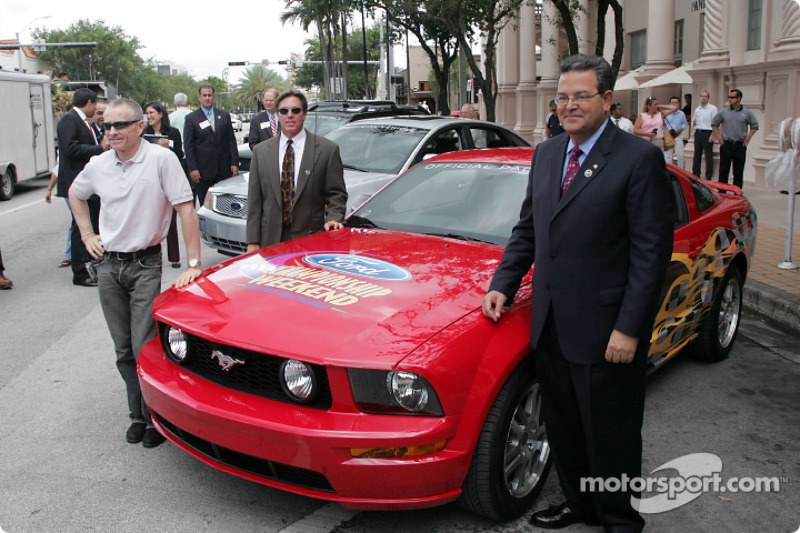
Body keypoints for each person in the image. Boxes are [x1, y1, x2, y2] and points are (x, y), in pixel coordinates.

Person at [481, 54, 674, 532]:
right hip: (550, 323)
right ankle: (580, 504)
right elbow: (528, 228)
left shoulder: (639, 158)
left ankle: (618, 518)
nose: (569, 106)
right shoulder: (547, 154)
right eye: (563, 97)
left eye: (581, 96)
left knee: (612, 434)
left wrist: (629, 328)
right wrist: (503, 283)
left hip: (608, 330)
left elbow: (652, 255)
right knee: (564, 426)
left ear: (607, 100)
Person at [68, 98, 202, 449]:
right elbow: (75, 194)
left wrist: (192, 265)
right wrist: (86, 234)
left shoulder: (161, 159)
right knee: (123, 349)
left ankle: (156, 420)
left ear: (139, 126)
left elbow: (185, 209)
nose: (111, 132)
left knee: (145, 346)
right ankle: (137, 416)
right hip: (109, 265)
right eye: (106, 126)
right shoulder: (98, 164)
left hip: (145, 265)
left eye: (119, 125)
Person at [246, 90, 347, 251]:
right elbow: (255, 201)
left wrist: (334, 218)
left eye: (296, 110)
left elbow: (337, 194)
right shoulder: (261, 152)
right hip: (271, 242)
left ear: (304, 114)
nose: (290, 115)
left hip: (311, 241)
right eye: (284, 111)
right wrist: (252, 241)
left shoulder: (327, 150)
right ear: (278, 115)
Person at [56, 88, 110, 287]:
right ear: (89, 102)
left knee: (91, 224)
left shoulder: (87, 123)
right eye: (95, 104)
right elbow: (70, 149)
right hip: (76, 183)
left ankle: (90, 264)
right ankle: (80, 272)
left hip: (89, 183)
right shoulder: (69, 120)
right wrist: (99, 149)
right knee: (80, 227)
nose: (96, 109)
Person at [144, 101, 185, 269]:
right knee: (149, 218)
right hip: (149, 179)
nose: (149, 116)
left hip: (169, 178)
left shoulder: (173, 133)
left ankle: (174, 257)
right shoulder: (143, 133)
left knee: (171, 219)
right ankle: (148, 253)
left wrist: (168, 148)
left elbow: (180, 155)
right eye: (147, 113)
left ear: (161, 114)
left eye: (152, 112)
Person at [183, 84, 239, 206]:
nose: (207, 98)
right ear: (199, 97)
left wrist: (234, 163)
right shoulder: (191, 118)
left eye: (209, 95)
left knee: (225, 204)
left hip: (224, 170)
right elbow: (189, 146)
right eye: (204, 95)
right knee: (206, 205)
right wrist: (193, 168)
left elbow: (231, 140)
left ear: (213, 97)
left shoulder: (224, 116)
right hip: (203, 172)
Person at [712, 89, 759, 189]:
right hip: (727, 144)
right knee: (723, 170)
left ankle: (737, 192)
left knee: (738, 171)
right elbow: (714, 124)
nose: (730, 99)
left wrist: (748, 137)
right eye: (729, 97)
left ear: (739, 98)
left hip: (739, 145)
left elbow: (755, 126)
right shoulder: (723, 112)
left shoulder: (747, 113)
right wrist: (719, 137)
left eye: (732, 97)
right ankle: (722, 191)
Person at [692, 91, 719, 180]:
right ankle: (696, 173)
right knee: (697, 154)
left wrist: (713, 135)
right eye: (702, 96)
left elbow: (715, 122)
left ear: (708, 98)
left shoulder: (712, 109)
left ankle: (708, 175)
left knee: (708, 154)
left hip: (707, 132)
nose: (703, 98)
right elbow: (693, 121)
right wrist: (694, 123)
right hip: (698, 132)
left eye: (705, 96)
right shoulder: (697, 109)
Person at [663, 96, 689, 168]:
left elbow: (685, 123)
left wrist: (681, 127)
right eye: (672, 103)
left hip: (677, 135)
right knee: (667, 155)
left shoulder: (681, 114)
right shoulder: (666, 113)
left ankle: (681, 171)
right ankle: (669, 171)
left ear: (678, 104)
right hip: (668, 135)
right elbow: (662, 124)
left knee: (680, 154)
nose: (674, 104)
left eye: (676, 103)